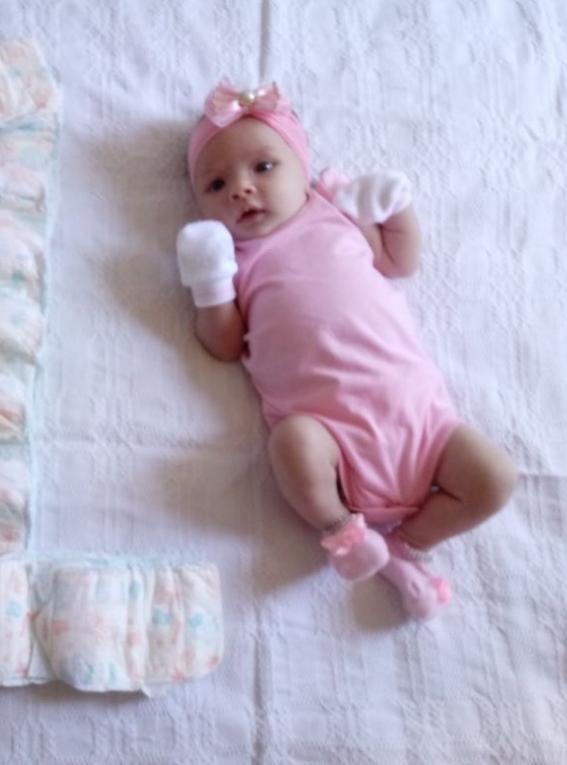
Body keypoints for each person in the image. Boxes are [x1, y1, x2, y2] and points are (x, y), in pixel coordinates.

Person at [176, 81, 517, 619]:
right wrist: (209, 282)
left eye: (263, 167)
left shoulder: (335, 210)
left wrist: (397, 208)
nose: (241, 189)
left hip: (423, 424)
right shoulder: (234, 257)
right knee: (291, 444)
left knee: (495, 478)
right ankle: (341, 530)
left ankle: (409, 543)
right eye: (216, 184)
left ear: (303, 168)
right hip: (327, 434)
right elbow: (222, 344)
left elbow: (398, 262)